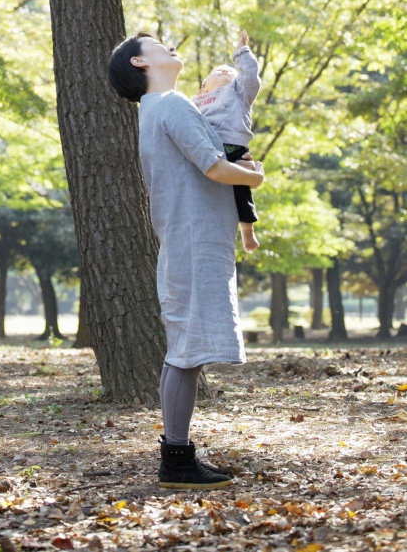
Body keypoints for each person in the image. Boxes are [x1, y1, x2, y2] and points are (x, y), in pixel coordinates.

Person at [108, 32, 264, 490]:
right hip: (193, 240)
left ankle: (178, 455)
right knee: (185, 352)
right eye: (158, 44)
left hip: (190, 237)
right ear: (140, 61)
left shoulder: (162, 108)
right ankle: (175, 459)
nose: (170, 47)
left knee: (187, 351)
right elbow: (214, 167)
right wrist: (256, 176)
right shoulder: (170, 105)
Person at [192, 29, 261, 254]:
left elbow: (250, 77)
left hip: (233, 148)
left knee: (241, 190)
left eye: (230, 71)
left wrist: (241, 53)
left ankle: (247, 230)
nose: (224, 69)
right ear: (203, 87)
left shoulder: (238, 92)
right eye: (216, 71)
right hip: (206, 149)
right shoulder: (195, 100)